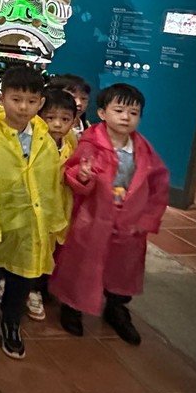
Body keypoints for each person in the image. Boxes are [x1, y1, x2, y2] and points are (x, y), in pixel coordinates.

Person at [50, 84, 169, 345]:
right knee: (83, 264)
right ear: (103, 113)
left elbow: (158, 184)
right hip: (93, 217)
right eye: (119, 110)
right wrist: (83, 177)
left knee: (122, 268)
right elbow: (72, 172)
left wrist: (147, 218)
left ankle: (117, 306)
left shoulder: (143, 150)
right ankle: (72, 306)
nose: (126, 117)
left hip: (129, 221)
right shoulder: (91, 142)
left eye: (133, 113)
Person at [0, 66, 66, 360]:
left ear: (41, 103)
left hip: (30, 228)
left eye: (31, 101)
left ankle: (11, 323)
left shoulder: (45, 139)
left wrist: (54, 223)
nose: (23, 107)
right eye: (16, 99)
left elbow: (52, 184)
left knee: (21, 282)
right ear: (2, 99)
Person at [25, 88, 79, 322]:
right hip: (34, 207)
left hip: (59, 207)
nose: (57, 124)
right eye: (51, 118)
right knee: (32, 247)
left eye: (65, 119)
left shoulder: (71, 142)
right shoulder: (32, 141)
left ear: (74, 121)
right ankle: (30, 289)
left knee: (51, 249)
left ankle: (39, 287)